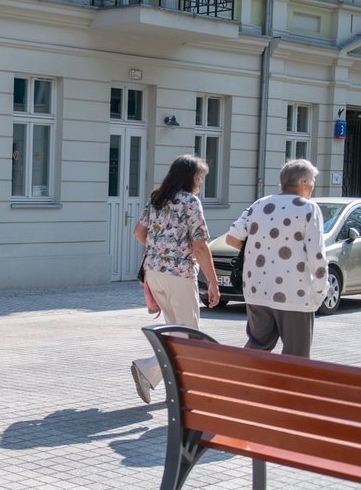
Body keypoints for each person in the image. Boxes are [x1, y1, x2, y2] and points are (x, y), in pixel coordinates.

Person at [131, 155, 220, 404]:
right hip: (179, 275)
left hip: (154, 273)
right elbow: (201, 246)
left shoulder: (157, 198)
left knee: (175, 332)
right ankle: (149, 370)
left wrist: (160, 248)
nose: (201, 182)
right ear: (190, 177)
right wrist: (212, 281)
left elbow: (139, 232)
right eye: (199, 176)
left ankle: (174, 384)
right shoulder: (190, 202)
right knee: (189, 335)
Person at [225, 159, 328, 357]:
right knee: (296, 356)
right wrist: (320, 289)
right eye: (313, 180)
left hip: (258, 289)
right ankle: (287, 388)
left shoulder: (259, 204)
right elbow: (317, 254)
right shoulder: (308, 208)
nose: (314, 185)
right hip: (294, 293)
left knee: (257, 348)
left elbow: (232, 238)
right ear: (304, 183)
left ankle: (246, 385)